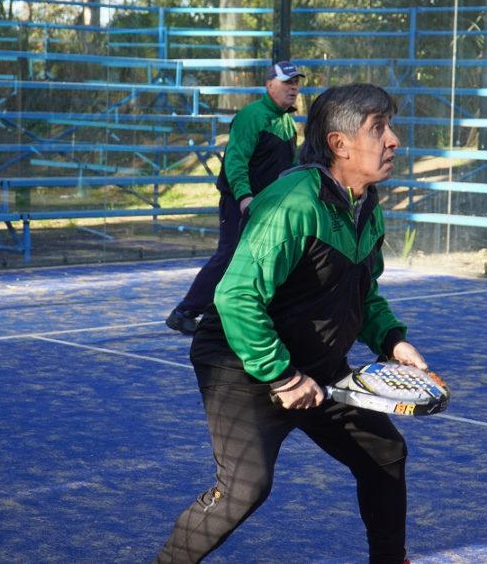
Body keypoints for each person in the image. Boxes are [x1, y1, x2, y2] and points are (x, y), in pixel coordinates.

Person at [155, 83, 427, 564]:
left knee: (384, 453)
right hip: (240, 362)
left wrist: (391, 339)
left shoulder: (366, 205)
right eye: (379, 129)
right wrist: (282, 376)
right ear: (340, 144)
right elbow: (236, 296)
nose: (394, 140)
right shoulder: (293, 203)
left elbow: (362, 292)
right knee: (244, 488)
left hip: (316, 367)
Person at [165, 60, 305, 335]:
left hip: (268, 207)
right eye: (287, 82)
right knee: (229, 256)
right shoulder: (251, 116)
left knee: (270, 260)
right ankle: (184, 311)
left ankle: (241, 313)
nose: (293, 88)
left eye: (296, 83)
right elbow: (235, 160)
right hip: (241, 203)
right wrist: (244, 197)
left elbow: (287, 169)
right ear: (269, 85)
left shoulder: (288, 123)